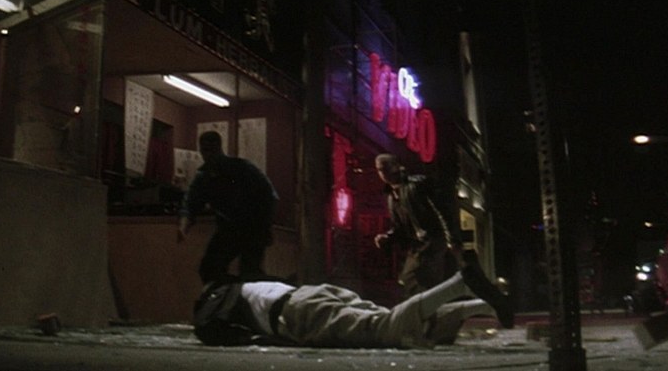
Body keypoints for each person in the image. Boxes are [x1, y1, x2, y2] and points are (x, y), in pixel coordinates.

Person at [192, 247, 514, 348]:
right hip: (310, 293)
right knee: (391, 319)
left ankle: (461, 284)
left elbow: (228, 335)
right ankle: (484, 304)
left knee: (384, 329)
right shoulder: (245, 285)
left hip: (296, 313)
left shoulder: (210, 309)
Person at [178, 131, 279, 283]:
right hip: (228, 228)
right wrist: (183, 225)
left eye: (212, 150)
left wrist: (266, 224)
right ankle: (229, 291)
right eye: (205, 150)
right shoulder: (204, 177)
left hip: (253, 227)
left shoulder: (241, 168)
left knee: (250, 274)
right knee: (209, 269)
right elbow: (191, 203)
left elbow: (269, 194)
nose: (208, 155)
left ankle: (270, 288)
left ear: (219, 148)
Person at [373, 153, 458, 296]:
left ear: (396, 166)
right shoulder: (391, 196)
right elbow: (399, 226)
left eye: (386, 168)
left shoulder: (417, 184)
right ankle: (433, 308)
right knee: (421, 282)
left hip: (432, 241)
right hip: (418, 246)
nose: (383, 173)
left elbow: (442, 210)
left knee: (413, 278)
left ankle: (429, 307)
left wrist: (451, 239)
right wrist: (388, 236)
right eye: (380, 170)